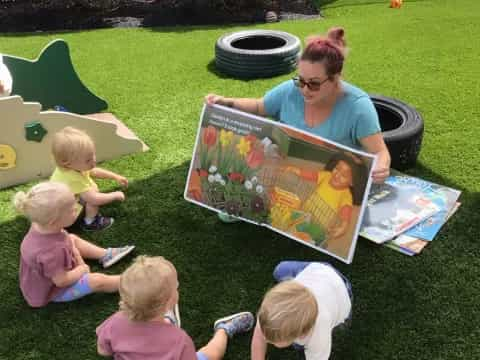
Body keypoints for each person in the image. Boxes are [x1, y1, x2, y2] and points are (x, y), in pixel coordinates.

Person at [205, 26, 390, 184]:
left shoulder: (358, 107)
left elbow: (380, 152)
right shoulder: (291, 90)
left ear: (335, 79)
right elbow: (258, 106)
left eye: (314, 83)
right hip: (287, 175)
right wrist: (226, 102)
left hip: (332, 184)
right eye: (301, 80)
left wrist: (381, 167)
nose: (305, 90)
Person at [96, 255, 255, 360]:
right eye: (176, 287)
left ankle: (167, 320)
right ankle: (224, 330)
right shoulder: (178, 340)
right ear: (169, 301)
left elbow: (103, 350)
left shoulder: (114, 322)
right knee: (212, 353)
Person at [14, 181, 135, 308]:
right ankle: (128, 282)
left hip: (43, 273)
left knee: (71, 238)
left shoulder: (40, 224)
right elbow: (61, 281)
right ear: (53, 221)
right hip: (53, 290)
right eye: (72, 209)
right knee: (96, 281)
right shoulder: (51, 251)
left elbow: (63, 241)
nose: (77, 208)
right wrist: (82, 269)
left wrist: (75, 253)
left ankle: (106, 255)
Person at [251, 261, 352, 360]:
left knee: (298, 346)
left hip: (342, 293)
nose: (266, 340)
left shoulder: (318, 335)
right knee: (279, 270)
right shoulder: (270, 311)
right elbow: (259, 336)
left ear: (302, 333)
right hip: (318, 270)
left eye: (273, 341)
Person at [50, 126, 128, 231]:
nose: (94, 161)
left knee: (91, 188)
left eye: (93, 155)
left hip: (60, 209)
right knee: (92, 195)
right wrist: (115, 195)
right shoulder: (72, 179)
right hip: (64, 219)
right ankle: (90, 222)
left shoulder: (72, 167)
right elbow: (94, 199)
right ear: (68, 163)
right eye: (88, 160)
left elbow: (93, 171)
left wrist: (115, 176)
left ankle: (86, 213)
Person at [286, 152, 368, 240]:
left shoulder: (346, 195)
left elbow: (346, 212)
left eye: (344, 175)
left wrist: (343, 227)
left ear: (352, 182)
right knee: (290, 225)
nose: (337, 175)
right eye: (337, 168)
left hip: (319, 223)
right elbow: (312, 175)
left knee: (310, 238)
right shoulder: (327, 175)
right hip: (304, 211)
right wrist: (295, 170)